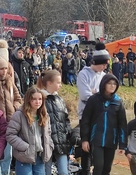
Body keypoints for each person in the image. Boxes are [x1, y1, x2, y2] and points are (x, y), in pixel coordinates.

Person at [80, 74, 127, 175]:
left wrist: (123, 145)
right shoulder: (94, 99)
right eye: (109, 83)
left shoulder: (118, 102)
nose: (112, 86)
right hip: (96, 139)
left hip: (111, 140)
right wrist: (84, 139)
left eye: (114, 84)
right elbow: (85, 120)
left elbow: (122, 124)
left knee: (107, 169)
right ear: (103, 84)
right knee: (98, 166)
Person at [0, 56, 23, 175]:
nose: (4, 71)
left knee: (8, 154)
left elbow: (18, 98)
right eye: (1, 68)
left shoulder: (10, 81)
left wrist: (15, 106)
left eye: (6, 68)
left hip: (10, 122)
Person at [77, 43, 110, 175]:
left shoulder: (103, 75)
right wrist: (99, 94)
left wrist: (95, 93)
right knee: (86, 146)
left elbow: (108, 94)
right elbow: (85, 96)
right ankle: (85, 171)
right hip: (86, 115)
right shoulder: (83, 74)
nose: (105, 67)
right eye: (104, 64)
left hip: (101, 115)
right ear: (97, 62)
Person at [6, 86, 54, 175]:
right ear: (28, 100)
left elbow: (48, 133)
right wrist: (25, 147)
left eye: (40, 99)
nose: (37, 102)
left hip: (40, 156)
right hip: (24, 157)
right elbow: (10, 134)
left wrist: (49, 146)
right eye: (34, 99)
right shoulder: (19, 115)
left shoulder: (45, 115)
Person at [37, 70, 71, 175]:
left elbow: (66, 119)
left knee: (64, 172)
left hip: (61, 143)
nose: (60, 85)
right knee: (46, 171)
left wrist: (68, 135)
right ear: (49, 83)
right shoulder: (40, 99)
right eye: (58, 82)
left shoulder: (60, 100)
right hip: (46, 144)